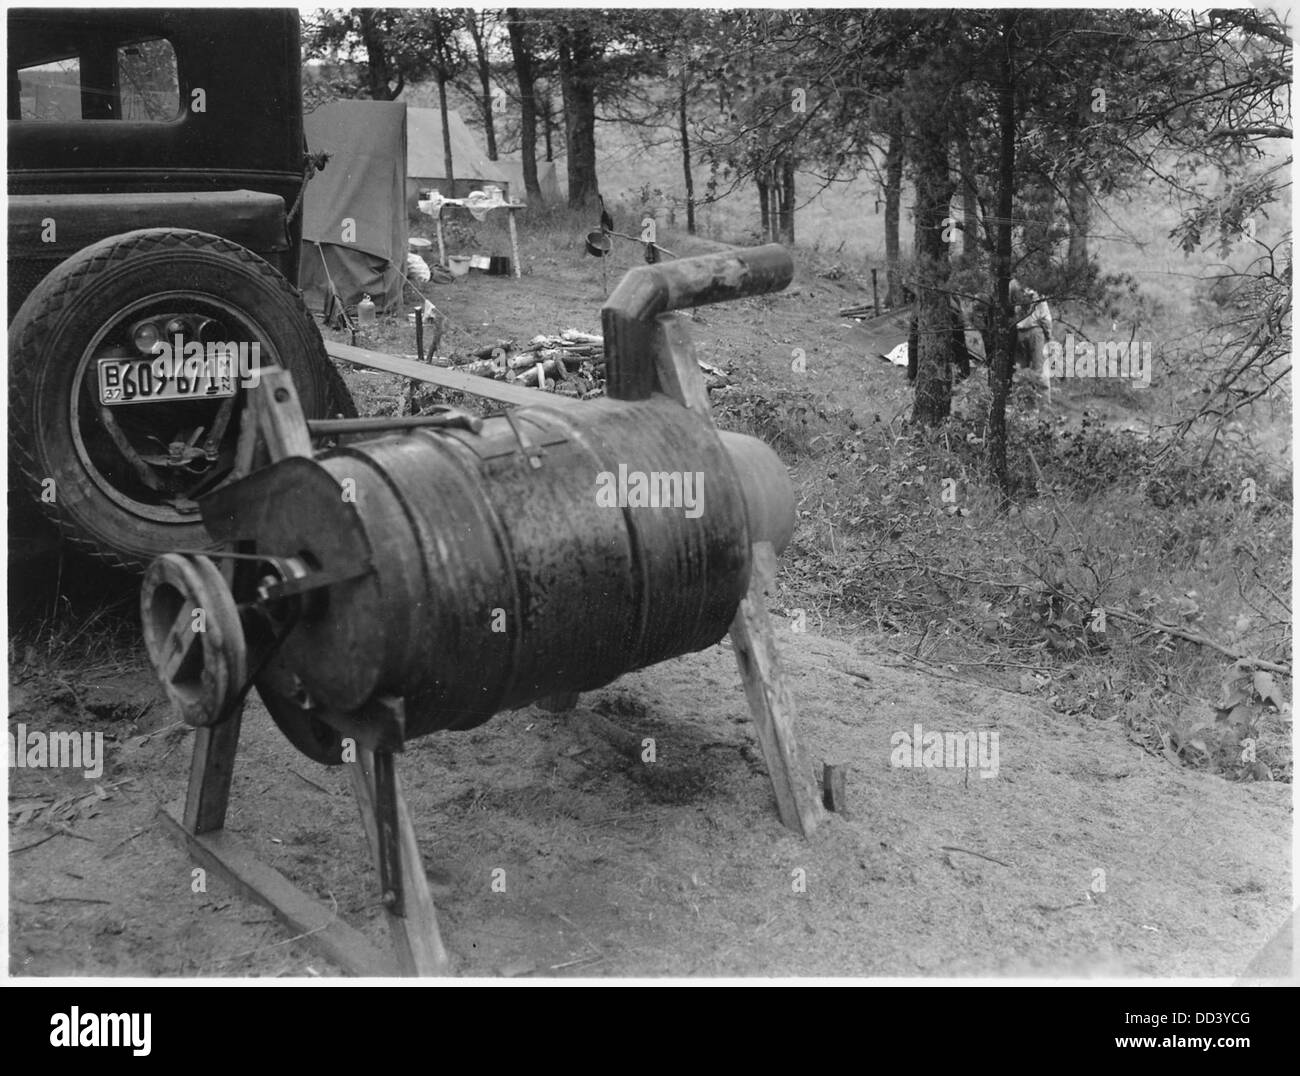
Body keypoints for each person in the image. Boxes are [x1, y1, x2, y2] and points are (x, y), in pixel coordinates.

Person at [1009, 279, 1052, 390]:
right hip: (1036, 331)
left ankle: (1021, 399)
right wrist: (1049, 335)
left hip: (1019, 331)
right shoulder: (1036, 289)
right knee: (1040, 370)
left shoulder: (1013, 285)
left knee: (1019, 369)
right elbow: (1046, 319)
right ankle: (1042, 401)